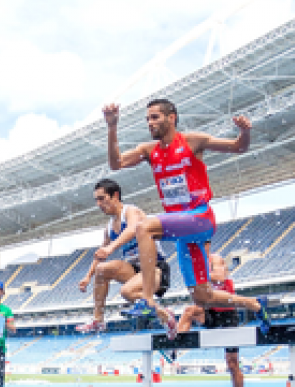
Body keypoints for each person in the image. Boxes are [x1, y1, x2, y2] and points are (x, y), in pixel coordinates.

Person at [103, 99, 271, 338]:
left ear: (171, 117)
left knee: (144, 227)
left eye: (155, 117)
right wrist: (112, 126)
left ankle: (148, 300)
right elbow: (115, 163)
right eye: (148, 119)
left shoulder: (193, 141)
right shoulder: (149, 151)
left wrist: (244, 132)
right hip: (181, 229)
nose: (150, 123)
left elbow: (238, 147)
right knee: (201, 296)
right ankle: (255, 304)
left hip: (199, 218)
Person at [75, 179, 169, 333]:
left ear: (115, 196)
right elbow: (101, 253)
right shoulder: (109, 227)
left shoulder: (131, 211)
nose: (98, 204)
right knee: (101, 269)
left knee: (127, 292)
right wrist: (88, 276)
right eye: (96, 200)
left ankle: (163, 314)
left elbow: (132, 229)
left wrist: (111, 247)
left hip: (155, 268)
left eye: (102, 198)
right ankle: (98, 320)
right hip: (134, 269)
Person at [174, 254, 246, 387]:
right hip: (211, 314)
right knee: (189, 311)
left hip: (228, 316)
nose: (211, 266)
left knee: (232, 364)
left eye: (214, 264)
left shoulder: (222, 274)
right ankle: (175, 344)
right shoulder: (201, 275)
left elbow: (219, 276)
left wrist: (200, 274)